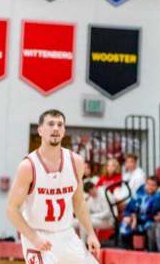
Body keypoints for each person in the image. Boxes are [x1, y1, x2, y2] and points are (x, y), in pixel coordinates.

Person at [6, 110, 100, 264]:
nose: (55, 128)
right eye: (50, 124)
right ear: (40, 130)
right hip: (37, 235)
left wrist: (90, 232)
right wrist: (33, 237)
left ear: (64, 131)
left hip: (66, 234)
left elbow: (79, 203)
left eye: (60, 124)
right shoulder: (28, 166)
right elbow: (11, 209)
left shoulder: (76, 162)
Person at [119, 176, 160, 249]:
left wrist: (135, 219)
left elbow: (153, 214)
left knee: (149, 226)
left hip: (149, 221)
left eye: (153, 185)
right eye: (148, 184)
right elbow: (129, 208)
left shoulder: (159, 197)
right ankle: (127, 250)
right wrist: (129, 216)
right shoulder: (139, 194)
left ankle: (149, 250)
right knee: (125, 224)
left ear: (157, 187)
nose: (150, 187)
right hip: (135, 220)